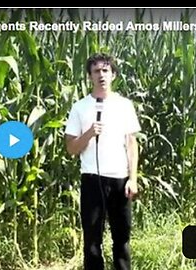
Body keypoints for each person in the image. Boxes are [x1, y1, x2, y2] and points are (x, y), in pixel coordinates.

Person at [64, 53, 141, 270]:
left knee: (122, 239)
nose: (101, 75)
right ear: (89, 76)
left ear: (113, 75)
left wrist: (132, 179)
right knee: (92, 242)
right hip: (91, 179)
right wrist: (88, 134)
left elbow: (132, 144)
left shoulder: (124, 105)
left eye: (105, 70)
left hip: (119, 179)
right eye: (96, 71)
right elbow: (71, 148)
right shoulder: (80, 107)